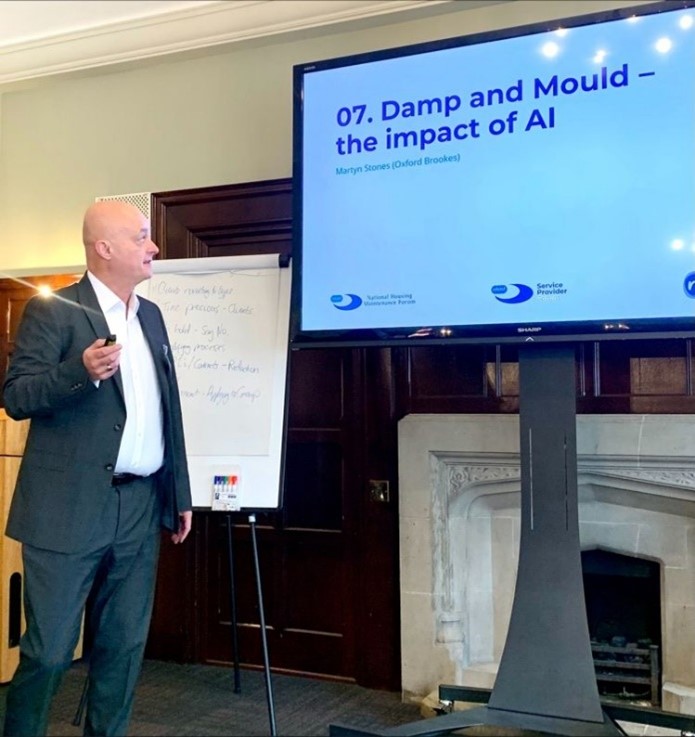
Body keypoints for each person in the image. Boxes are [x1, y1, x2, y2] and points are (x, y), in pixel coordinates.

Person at [2, 200, 193, 736]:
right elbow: (17, 396)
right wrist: (79, 371)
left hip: (139, 505)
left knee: (124, 647)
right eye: (141, 237)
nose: (153, 247)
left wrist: (179, 492)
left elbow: (168, 409)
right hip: (65, 511)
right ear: (105, 248)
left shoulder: (151, 316)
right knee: (49, 652)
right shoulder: (54, 311)